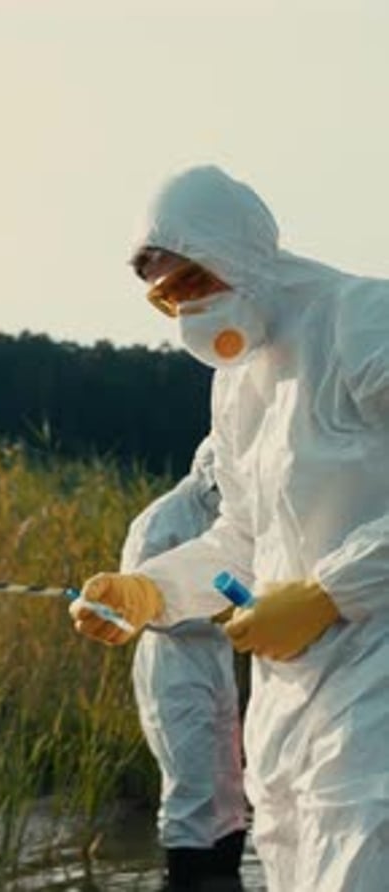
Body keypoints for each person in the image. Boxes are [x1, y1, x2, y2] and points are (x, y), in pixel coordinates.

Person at [70, 164, 389, 892]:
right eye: (165, 299)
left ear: (234, 253)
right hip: (290, 706)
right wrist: (151, 592)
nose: (185, 311)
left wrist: (331, 592)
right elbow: (245, 539)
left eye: (190, 284)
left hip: (379, 685)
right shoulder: (239, 382)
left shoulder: (362, 319)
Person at [121, 433, 246, 891]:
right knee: (190, 779)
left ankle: (227, 876)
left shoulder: (231, 524)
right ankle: (186, 880)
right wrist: (215, 610)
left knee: (229, 778)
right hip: (173, 664)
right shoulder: (160, 521)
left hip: (216, 656)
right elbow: (143, 608)